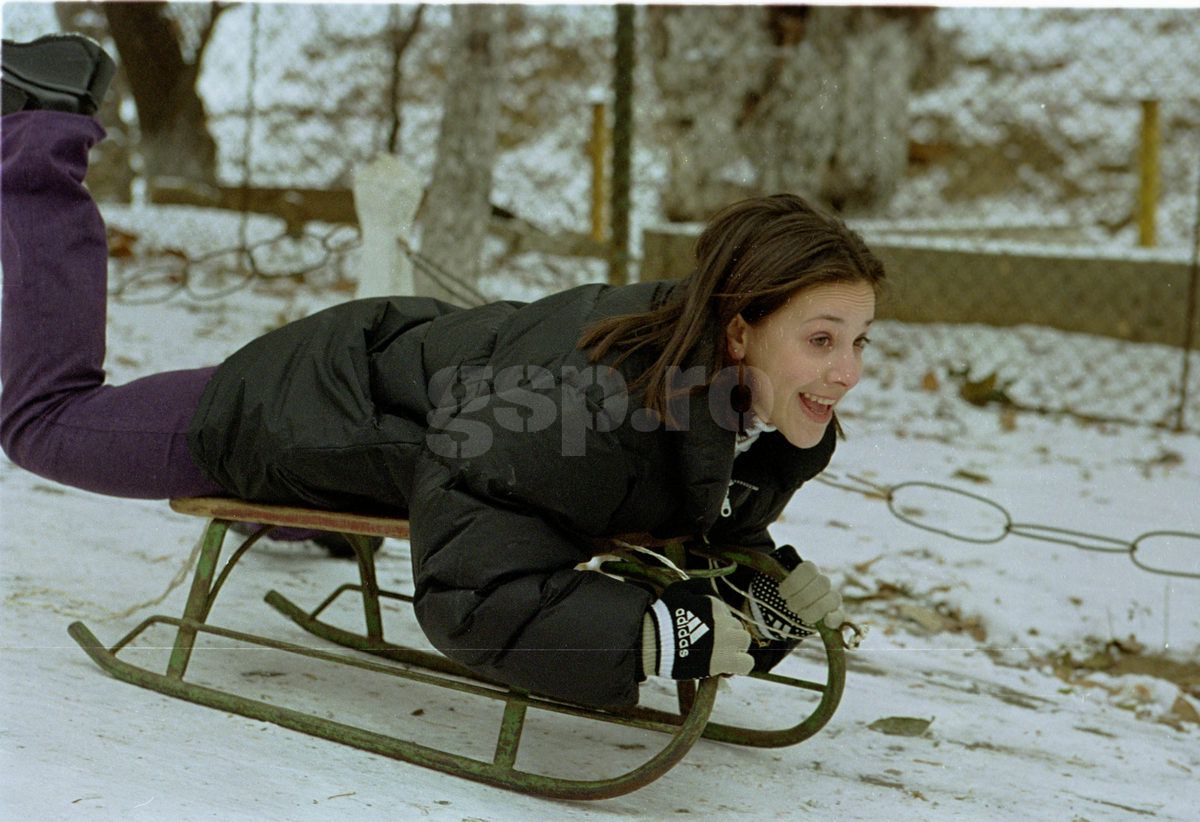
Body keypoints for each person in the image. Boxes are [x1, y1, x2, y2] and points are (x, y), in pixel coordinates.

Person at [1, 34, 883, 708]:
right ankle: (39, 128)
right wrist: (654, 634)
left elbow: (675, 492)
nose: (845, 372)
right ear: (738, 331)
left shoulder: (734, 402)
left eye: (859, 341)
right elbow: (471, 592)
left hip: (396, 400)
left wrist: (753, 580)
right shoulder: (582, 411)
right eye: (821, 340)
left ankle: (298, 525)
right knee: (44, 422)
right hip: (286, 414)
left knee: (426, 467)